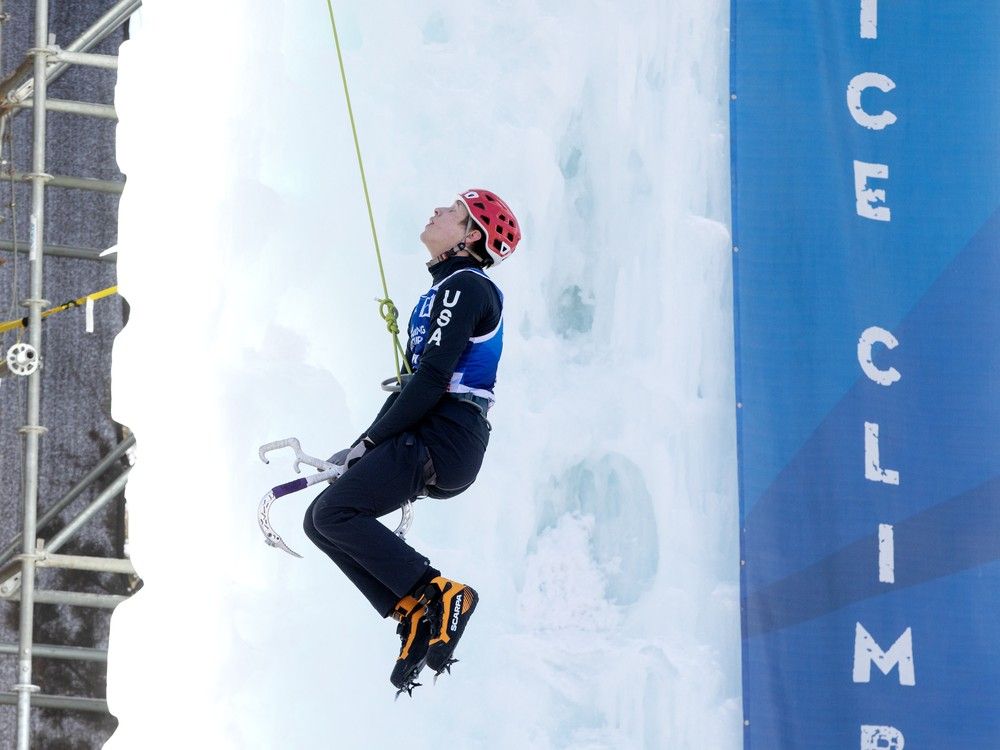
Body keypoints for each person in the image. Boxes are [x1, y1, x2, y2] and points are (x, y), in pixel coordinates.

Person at [302, 188, 521, 695]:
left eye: (453, 211)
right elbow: (412, 383)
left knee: (334, 514)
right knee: (319, 520)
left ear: (471, 237)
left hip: (446, 434)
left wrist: (370, 442)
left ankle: (441, 594)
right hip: (438, 435)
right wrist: (361, 447)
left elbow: (430, 381)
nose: (438, 211)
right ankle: (416, 612)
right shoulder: (444, 292)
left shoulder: (468, 286)